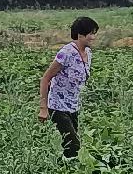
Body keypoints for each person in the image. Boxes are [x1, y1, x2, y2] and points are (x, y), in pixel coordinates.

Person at [38, 15, 97, 158]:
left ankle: (64, 171)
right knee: (74, 145)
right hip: (57, 106)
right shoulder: (66, 53)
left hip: (73, 106)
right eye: (90, 34)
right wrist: (43, 108)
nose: (93, 37)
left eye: (94, 34)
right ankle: (71, 173)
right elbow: (46, 79)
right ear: (80, 35)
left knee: (69, 145)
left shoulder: (88, 53)